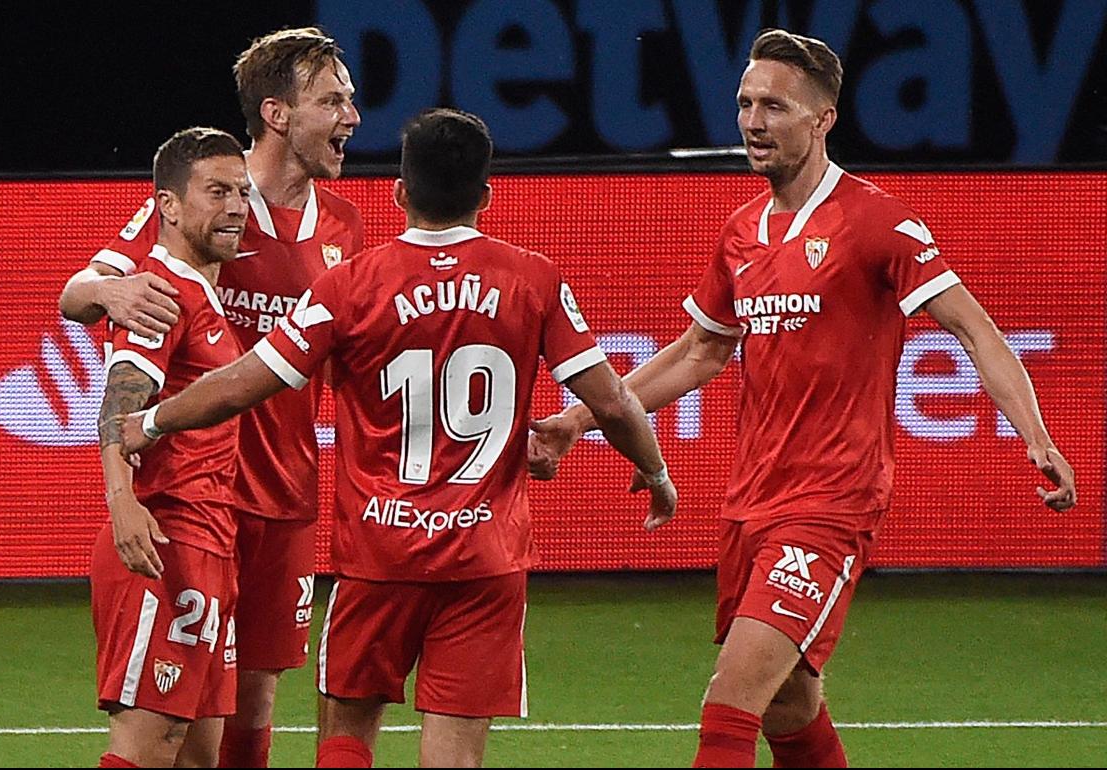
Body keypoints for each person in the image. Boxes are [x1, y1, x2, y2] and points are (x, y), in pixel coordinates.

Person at [527, 28, 1076, 769]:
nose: (753, 121)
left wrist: (1035, 437)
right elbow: (700, 353)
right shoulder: (740, 232)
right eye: (746, 103)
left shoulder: (879, 221)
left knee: (730, 704)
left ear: (823, 120)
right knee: (790, 704)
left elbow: (978, 336)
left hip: (831, 503)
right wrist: (576, 419)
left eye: (776, 107)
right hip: (751, 501)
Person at [114, 108, 678, 768]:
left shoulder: (351, 284)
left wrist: (152, 420)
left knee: (348, 730)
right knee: (454, 754)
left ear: (400, 193)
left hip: (380, 555)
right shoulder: (532, 279)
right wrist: (656, 471)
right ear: (485, 196)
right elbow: (611, 401)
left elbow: (247, 381)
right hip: (485, 559)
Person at [61, 28, 365, 768]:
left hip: (285, 492)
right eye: (334, 100)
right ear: (279, 113)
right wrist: (112, 288)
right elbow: (77, 296)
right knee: (182, 711)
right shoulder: (211, 207)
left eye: (350, 98)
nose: (353, 116)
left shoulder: (345, 227)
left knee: (250, 698)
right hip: (198, 496)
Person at [92, 127, 249, 768]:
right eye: (216, 192)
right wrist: (122, 500)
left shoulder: (202, 291)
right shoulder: (160, 291)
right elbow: (121, 399)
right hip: (167, 539)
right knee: (148, 748)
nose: (236, 206)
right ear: (169, 206)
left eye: (241, 191)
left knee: (199, 753)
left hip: (212, 541)